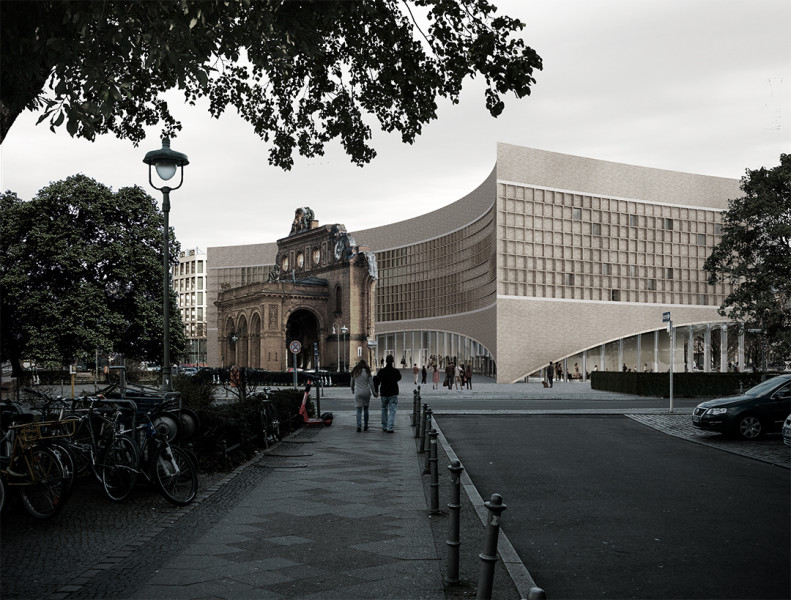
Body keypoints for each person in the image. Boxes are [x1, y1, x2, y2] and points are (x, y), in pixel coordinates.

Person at [374, 355, 401, 433]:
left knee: (384, 409)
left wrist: (376, 391)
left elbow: (377, 380)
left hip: (384, 393)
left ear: (385, 361)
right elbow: (399, 378)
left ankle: (384, 426)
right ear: (392, 361)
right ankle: (390, 427)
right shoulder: (395, 371)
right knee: (392, 410)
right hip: (393, 393)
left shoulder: (381, 371)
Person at [350, 359, 376, 432]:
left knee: (358, 410)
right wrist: (374, 392)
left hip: (358, 392)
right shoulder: (367, 372)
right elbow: (371, 383)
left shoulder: (355, 372)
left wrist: (352, 389)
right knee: (366, 409)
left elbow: (352, 383)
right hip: (366, 392)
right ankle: (366, 425)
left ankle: (358, 425)